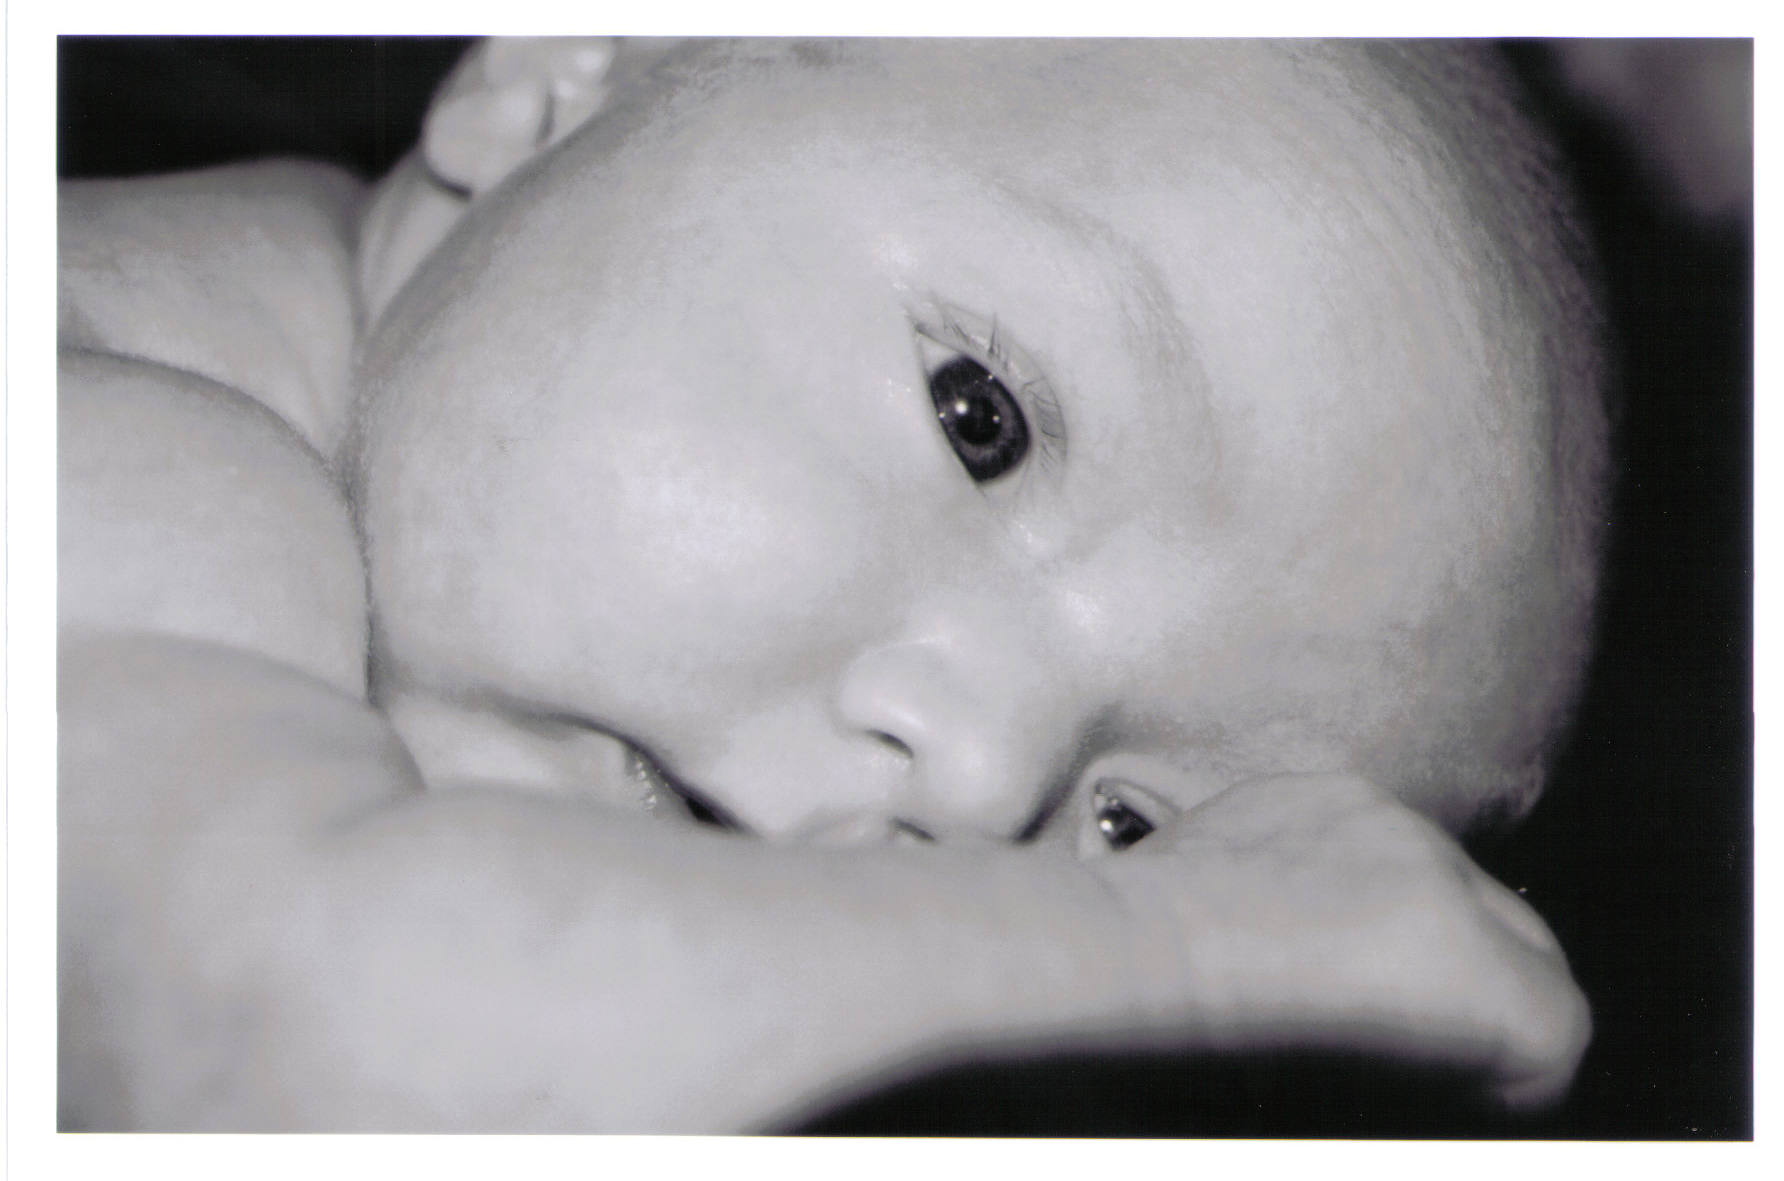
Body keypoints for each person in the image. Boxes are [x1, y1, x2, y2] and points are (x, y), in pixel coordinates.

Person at [57, 37, 1605, 1132]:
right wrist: (1203, 941)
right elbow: (296, 1043)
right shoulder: (134, 447)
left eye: (1136, 827)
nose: (987, 778)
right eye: (980, 420)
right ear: (555, 79)